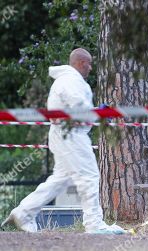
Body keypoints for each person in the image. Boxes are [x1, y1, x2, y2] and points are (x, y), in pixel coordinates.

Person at [1, 48, 126, 234]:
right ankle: (94, 224)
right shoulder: (71, 80)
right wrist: (100, 113)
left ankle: (24, 212)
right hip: (71, 136)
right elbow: (79, 108)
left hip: (65, 134)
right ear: (81, 63)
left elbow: (77, 109)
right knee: (90, 176)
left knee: (59, 180)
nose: (90, 68)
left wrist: (98, 111)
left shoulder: (67, 81)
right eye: (89, 64)